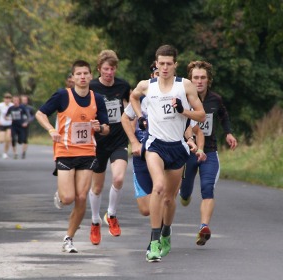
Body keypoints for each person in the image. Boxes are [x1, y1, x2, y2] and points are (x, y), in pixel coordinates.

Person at [130, 44, 205, 262]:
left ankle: (166, 232)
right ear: (156, 64)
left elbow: (200, 116)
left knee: (169, 200)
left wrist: (183, 110)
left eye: (168, 64)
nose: (164, 67)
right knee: (159, 188)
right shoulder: (146, 85)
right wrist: (140, 116)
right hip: (155, 145)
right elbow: (133, 97)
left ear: (175, 65)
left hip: (177, 147)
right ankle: (153, 242)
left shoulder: (185, 86)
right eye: (161, 63)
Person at [35, 60, 109, 253]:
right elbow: (40, 114)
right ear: (73, 77)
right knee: (68, 198)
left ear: (91, 76)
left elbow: (106, 128)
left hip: (87, 152)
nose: (82, 77)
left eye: (86, 73)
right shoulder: (62, 95)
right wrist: (51, 129)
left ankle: (69, 238)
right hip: (65, 152)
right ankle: (60, 194)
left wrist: (99, 127)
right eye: (79, 74)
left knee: (82, 196)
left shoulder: (98, 98)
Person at [179, 60, 238, 246]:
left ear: (208, 80)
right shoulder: (182, 98)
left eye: (203, 77)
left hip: (209, 151)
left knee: (207, 188)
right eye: (195, 77)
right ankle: (185, 194)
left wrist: (228, 132)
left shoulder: (215, 99)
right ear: (190, 79)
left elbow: (224, 116)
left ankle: (203, 227)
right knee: (185, 192)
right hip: (187, 151)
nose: (199, 81)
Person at [88, 50, 131, 246]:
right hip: (98, 142)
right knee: (97, 187)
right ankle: (95, 221)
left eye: (112, 69)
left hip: (118, 139)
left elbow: (132, 108)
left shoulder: (123, 86)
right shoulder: (91, 87)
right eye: (105, 69)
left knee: (119, 177)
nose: (109, 72)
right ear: (99, 69)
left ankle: (111, 215)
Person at [0, 93, 13, 159]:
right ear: (4, 99)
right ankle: (0, 137)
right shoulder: (0, 105)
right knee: (1, 140)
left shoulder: (12, 105)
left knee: (8, 139)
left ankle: (5, 153)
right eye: (6, 98)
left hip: (10, 124)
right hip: (2, 123)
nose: (7, 100)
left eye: (9, 98)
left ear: (11, 99)